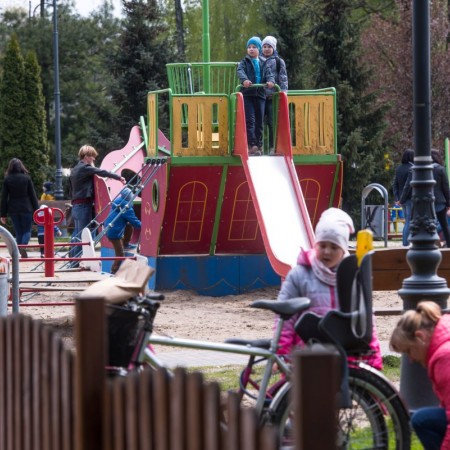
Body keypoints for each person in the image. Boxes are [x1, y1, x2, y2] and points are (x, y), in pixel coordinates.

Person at [276, 207, 383, 370]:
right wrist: (282, 352)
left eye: (334, 247)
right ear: (315, 245)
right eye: (322, 245)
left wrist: (373, 354)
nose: (327, 251)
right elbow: (285, 320)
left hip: (344, 353)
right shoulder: (299, 275)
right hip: (308, 353)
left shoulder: (351, 275)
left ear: (343, 250)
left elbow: (364, 318)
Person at [390, 301, 450, 449]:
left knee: (422, 420)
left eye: (409, 350)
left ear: (420, 337)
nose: (411, 359)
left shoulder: (444, 358)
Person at [68, 145, 125, 266]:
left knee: (77, 235)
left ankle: (72, 260)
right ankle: (74, 263)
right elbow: (102, 172)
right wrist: (119, 177)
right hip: (84, 205)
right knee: (84, 235)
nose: (94, 159)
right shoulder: (85, 168)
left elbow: (71, 189)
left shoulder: (75, 169)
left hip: (76, 206)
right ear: (87, 156)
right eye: (92, 156)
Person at [401, 149, 450, 247]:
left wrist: (402, 200)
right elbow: (445, 188)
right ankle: (448, 245)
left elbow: (407, 186)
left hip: (421, 202)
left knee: (418, 223)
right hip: (439, 203)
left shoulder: (414, 169)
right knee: (444, 225)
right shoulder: (440, 169)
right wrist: (448, 203)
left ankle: (415, 243)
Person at [237, 36, 275, 156]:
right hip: (248, 94)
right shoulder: (244, 62)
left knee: (259, 121)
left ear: (259, 49)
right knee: (250, 120)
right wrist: (244, 81)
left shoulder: (264, 62)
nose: (251, 49)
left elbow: (269, 74)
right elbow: (240, 71)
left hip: (260, 95)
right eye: (249, 47)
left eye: (254, 47)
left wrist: (270, 82)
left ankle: (259, 145)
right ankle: (252, 145)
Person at [0, 158, 39, 258]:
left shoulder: (7, 179)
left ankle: (19, 250)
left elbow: (4, 198)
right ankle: (23, 247)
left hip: (13, 208)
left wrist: (3, 214)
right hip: (26, 207)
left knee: (18, 231)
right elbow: (33, 196)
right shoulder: (27, 178)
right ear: (21, 167)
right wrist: (37, 210)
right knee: (27, 230)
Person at [261, 36, 288, 154]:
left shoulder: (278, 61)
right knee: (259, 123)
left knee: (273, 123)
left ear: (274, 48)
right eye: (264, 47)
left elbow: (283, 78)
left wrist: (283, 92)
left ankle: (273, 147)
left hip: (273, 97)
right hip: (261, 97)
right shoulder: (258, 60)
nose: (266, 49)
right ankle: (258, 146)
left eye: (269, 47)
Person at [104, 187, 141, 274]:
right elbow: (136, 223)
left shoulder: (118, 202)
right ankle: (113, 272)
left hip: (110, 228)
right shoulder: (126, 208)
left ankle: (126, 244)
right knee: (120, 254)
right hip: (114, 234)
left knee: (128, 224)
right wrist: (145, 224)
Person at [393, 149, 414, 246]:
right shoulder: (412, 168)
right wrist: (401, 199)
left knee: (407, 220)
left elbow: (395, 185)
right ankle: (405, 243)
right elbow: (408, 186)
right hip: (409, 198)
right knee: (409, 221)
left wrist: (397, 199)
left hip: (402, 199)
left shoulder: (399, 168)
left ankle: (406, 242)